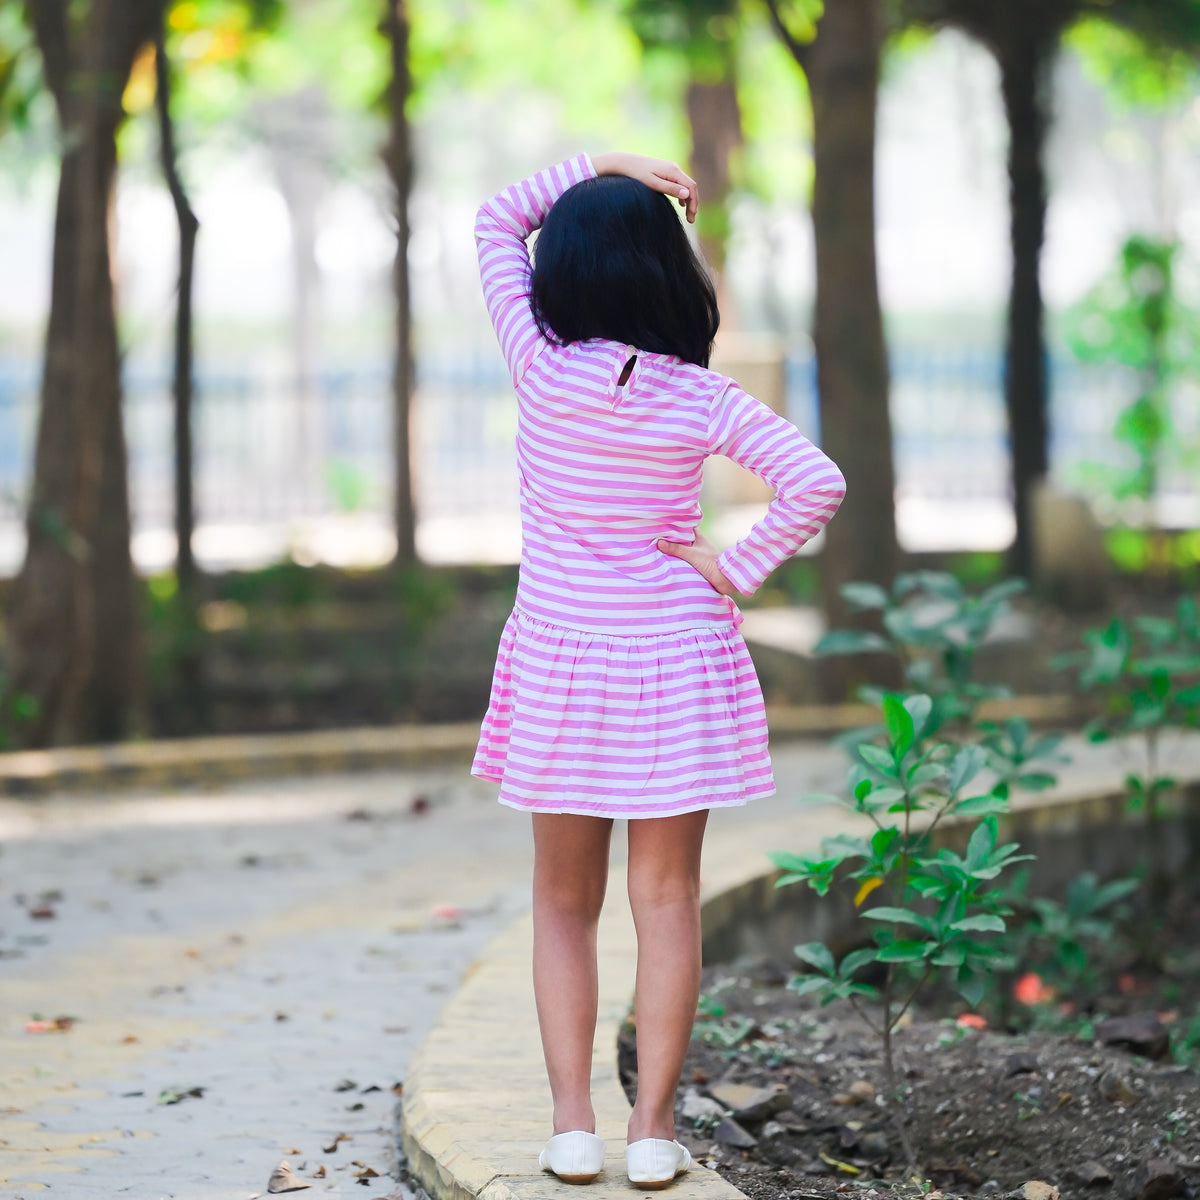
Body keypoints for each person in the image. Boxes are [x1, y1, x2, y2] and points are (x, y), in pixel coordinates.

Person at [471, 151, 845, 1188]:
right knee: (668, 899)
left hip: (563, 657)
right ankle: (651, 1131)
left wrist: (604, 165)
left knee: (560, 903)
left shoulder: (540, 367)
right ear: (669, 275)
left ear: (566, 278)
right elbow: (816, 481)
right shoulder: (699, 395)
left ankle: (569, 1127)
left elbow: (497, 220)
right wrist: (738, 567)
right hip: (679, 654)